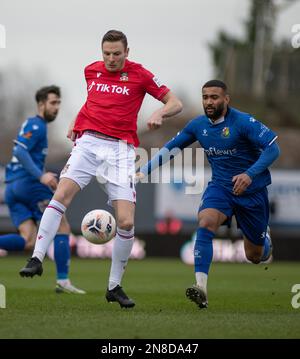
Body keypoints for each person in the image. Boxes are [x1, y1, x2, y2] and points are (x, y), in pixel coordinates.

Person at [19, 30, 183, 308]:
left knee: (127, 222)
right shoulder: (91, 71)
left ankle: (114, 286)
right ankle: (36, 258)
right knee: (61, 195)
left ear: (127, 52)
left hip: (121, 150)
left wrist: (159, 112)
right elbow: (95, 103)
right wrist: (76, 120)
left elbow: (175, 103)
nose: (110, 59)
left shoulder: (141, 75)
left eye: (116, 54)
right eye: (106, 53)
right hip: (88, 143)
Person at [137, 80, 280, 309]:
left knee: (254, 255)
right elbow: (172, 148)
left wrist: (249, 174)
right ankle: (201, 287)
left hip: (252, 191)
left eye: (214, 97)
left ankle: (265, 241)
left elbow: (273, 148)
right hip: (221, 188)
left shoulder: (243, 122)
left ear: (226, 99)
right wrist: (143, 172)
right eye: (205, 97)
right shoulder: (198, 125)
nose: (209, 102)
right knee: (205, 222)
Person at [1, 85, 85, 294]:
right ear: (41, 104)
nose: (56, 108)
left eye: (58, 103)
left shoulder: (35, 126)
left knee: (29, 240)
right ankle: (63, 281)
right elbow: (19, 151)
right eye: (53, 103)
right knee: (62, 225)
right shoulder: (36, 125)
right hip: (29, 185)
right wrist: (42, 175)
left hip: (11, 188)